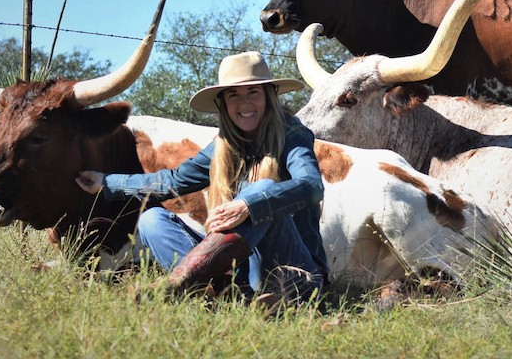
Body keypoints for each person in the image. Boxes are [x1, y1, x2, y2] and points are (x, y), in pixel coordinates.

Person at [76, 51, 327, 304]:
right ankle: (220, 291)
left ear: (269, 97)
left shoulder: (292, 134)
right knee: (152, 219)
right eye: (233, 95)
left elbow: (311, 186)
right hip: (241, 274)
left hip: (294, 273)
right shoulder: (223, 145)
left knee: (261, 188)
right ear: (223, 104)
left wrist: (249, 205)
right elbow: (172, 182)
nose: (244, 104)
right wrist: (106, 182)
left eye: (253, 93)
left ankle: (182, 281)